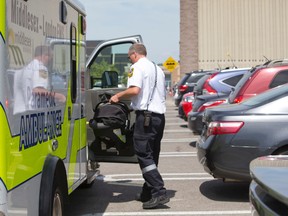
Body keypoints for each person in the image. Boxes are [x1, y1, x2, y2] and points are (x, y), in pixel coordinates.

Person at [109, 43, 169, 209]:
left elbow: (135, 90)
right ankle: (147, 192)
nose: (130, 60)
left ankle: (159, 191)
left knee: (143, 153)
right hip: (159, 117)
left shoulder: (137, 67)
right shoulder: (158, 69)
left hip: (146, 118)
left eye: (129, 57)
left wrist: (118, 96)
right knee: (152, 154)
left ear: (134, 54)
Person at [13, 45, 66, 114]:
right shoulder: (41, 68)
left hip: (19, 112)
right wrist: (60, 96)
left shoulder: (25, 69)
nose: (50, 60)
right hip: (32, 112)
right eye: (50, 57)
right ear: (44, 56)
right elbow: (37, 90)